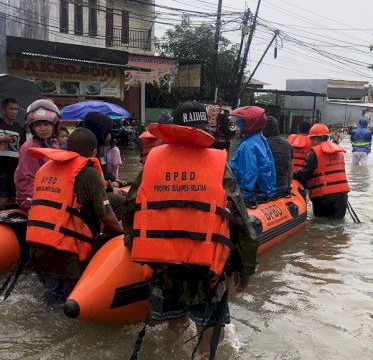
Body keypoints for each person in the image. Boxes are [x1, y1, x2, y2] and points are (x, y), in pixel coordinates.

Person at [122, 101, 257, 359]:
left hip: (164, 267)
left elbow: (130, 210)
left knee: (173, 330)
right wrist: (246, 269)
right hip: (206, 271)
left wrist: (133, 243)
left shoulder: (152, 163)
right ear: (205, 131)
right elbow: (242, 223)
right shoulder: (220, 165)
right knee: (206, 347)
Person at [26, 128, 123, 306]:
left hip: (37, 248)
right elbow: (106, 215)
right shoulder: (89, 173)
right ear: (93, 151)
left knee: (50, 298)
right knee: (61, 307)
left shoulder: (48, 167)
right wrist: (123, 234)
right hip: (64, 254)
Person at [294, 124, 350, 219]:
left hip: (324, 199)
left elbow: (303, 175)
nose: (310, 142)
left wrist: (290, 174)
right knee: (337, 227)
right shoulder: (338, 152)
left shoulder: (314, 153)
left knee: (320, 226)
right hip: (342, 198)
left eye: (311, 139)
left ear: (316, 139)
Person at [79, 111, 126, 219]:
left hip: (101, 189)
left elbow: (102, 172)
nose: (109, 135)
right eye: (107, 131)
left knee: (128, 197)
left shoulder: (98, 149)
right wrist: (110, 189)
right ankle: (116, 231)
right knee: (123, 203)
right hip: (90, 195)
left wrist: (113, 179)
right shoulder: (85, 150)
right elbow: (91, 180)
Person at [14, 99, 60, 211]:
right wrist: (33, 204)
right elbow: (26, 180)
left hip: (52, 197)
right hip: (35, 201)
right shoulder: (29, 148)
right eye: (38, 125)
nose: (43, 129)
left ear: (55, 125)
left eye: (46, 124)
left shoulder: (54, 144)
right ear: (32, 127)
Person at [229, 105, 276, 201]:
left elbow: (250, 171)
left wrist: (246, 194)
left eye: (239, 125)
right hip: (264, 191)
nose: (236, 129)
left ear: (249, 126)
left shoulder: (247, 145)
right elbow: (267, 165)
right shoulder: (260, 138)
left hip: (247, 193)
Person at [263, 116, 293, 194]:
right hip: (283, 187)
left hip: (265, 189)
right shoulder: (287, 144)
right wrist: (289, 186)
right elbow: (290, 169)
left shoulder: (262, 144)